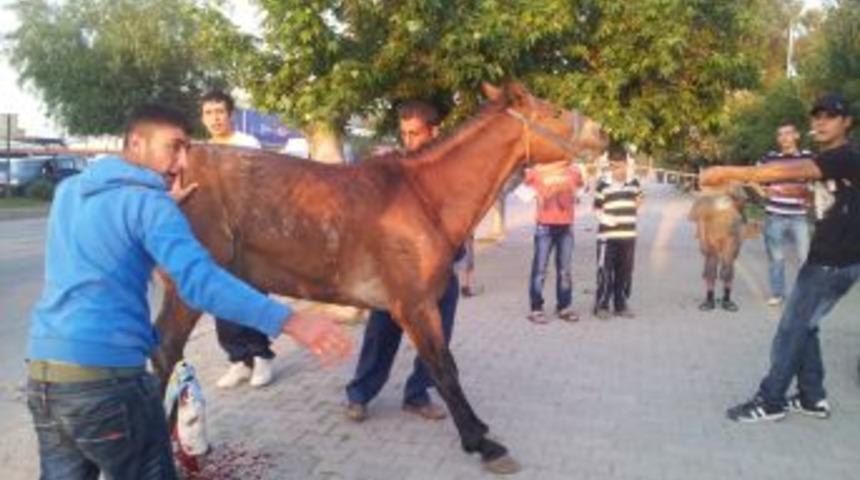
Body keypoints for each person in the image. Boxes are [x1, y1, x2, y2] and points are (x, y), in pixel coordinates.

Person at [24, 104, 351, 479]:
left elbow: (111, 239)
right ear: (136, 142)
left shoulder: (69, 192)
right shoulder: (149, 206)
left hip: (45, 376)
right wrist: (290, 320)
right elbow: (202, 282)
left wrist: (163, 205)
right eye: (172, 147)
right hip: (108, 383)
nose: (180, 162)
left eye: (186, 150)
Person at [701, 92, 858, 423]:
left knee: (790, 329)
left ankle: (770, 400)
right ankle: (813, 397)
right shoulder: (833, 159)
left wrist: (726, 171)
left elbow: (782, 170)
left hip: (831, 262)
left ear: (847, 123)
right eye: (817, 115)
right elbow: (803, 184)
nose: (821, 121)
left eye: (830, 116)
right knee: (807, 325)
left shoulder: (845, 155)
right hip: (836, 259)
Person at [344, 100, 459, 422]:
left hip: (439, 269)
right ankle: (360, 393)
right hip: (395, 269)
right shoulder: (394, 168)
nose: (409, 142)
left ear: (434, 131)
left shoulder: (450, 171)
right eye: (404, 134)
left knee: (436, 338)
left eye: (415, 134)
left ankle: (417, 394)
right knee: (380, 333)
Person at [200, 90, 275, 388]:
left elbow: (262, 188)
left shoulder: (248, 144)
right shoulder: (201, 150)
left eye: (219, 111)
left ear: (230, 114)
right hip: (215, 235)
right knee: (220, 297)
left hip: (248, 235)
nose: (215, 118)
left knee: (251, 295)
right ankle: (238, 359)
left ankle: (261, 356)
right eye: (208, 113)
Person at [757, 121, 813, 307]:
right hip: (775, 216)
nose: (784, 137)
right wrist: (763, 192)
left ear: (796, 135)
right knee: (776, 258)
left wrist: (810, 196)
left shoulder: (807, 157)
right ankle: (777, 294)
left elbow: (817, 180)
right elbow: (753, 176)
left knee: (805, 258)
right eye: (780, 134)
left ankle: (805, 295)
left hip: (799, 217)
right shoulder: (770, 158)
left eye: (788, 133)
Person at [524, 159, 583, 323]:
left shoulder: (573, 170)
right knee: (540, 270)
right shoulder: (538, 170)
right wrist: (538, 194)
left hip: (566, 226)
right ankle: (536, 309)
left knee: (565, 270)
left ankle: (564, 306)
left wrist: (576, 195)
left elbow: (581, 189)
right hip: (544, 226)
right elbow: (523, 192)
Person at [593, 144, 642, 320]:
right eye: (613, 166)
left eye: (620, 166)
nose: (616, 170)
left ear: (626, 164)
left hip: (628, 236)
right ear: (609, 165)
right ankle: (602, 305)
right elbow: (597, 208)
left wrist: (634, 206)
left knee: (625, 271)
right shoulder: (603, 184)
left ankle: (620, 305)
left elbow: (639, 201)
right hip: (607, 237)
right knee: (605, 271)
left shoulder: (634, 182)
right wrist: (604, 219)